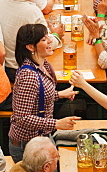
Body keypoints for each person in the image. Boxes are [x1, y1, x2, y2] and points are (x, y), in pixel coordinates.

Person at [8, 23, 79, 162]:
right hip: (27, 145)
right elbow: (21, 118)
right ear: (30, 47)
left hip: (41, 137)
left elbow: (38, 95)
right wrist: (56, 124)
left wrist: (59, 94)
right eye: (43, 40)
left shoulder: (43, 63)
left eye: (48, 37)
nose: (50, 41)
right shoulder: (28, 76)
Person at [0, 0, 47, 76]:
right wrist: (56, 35)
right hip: (21, 69)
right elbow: (47, 43)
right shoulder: (33, 11)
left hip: (2, 64)